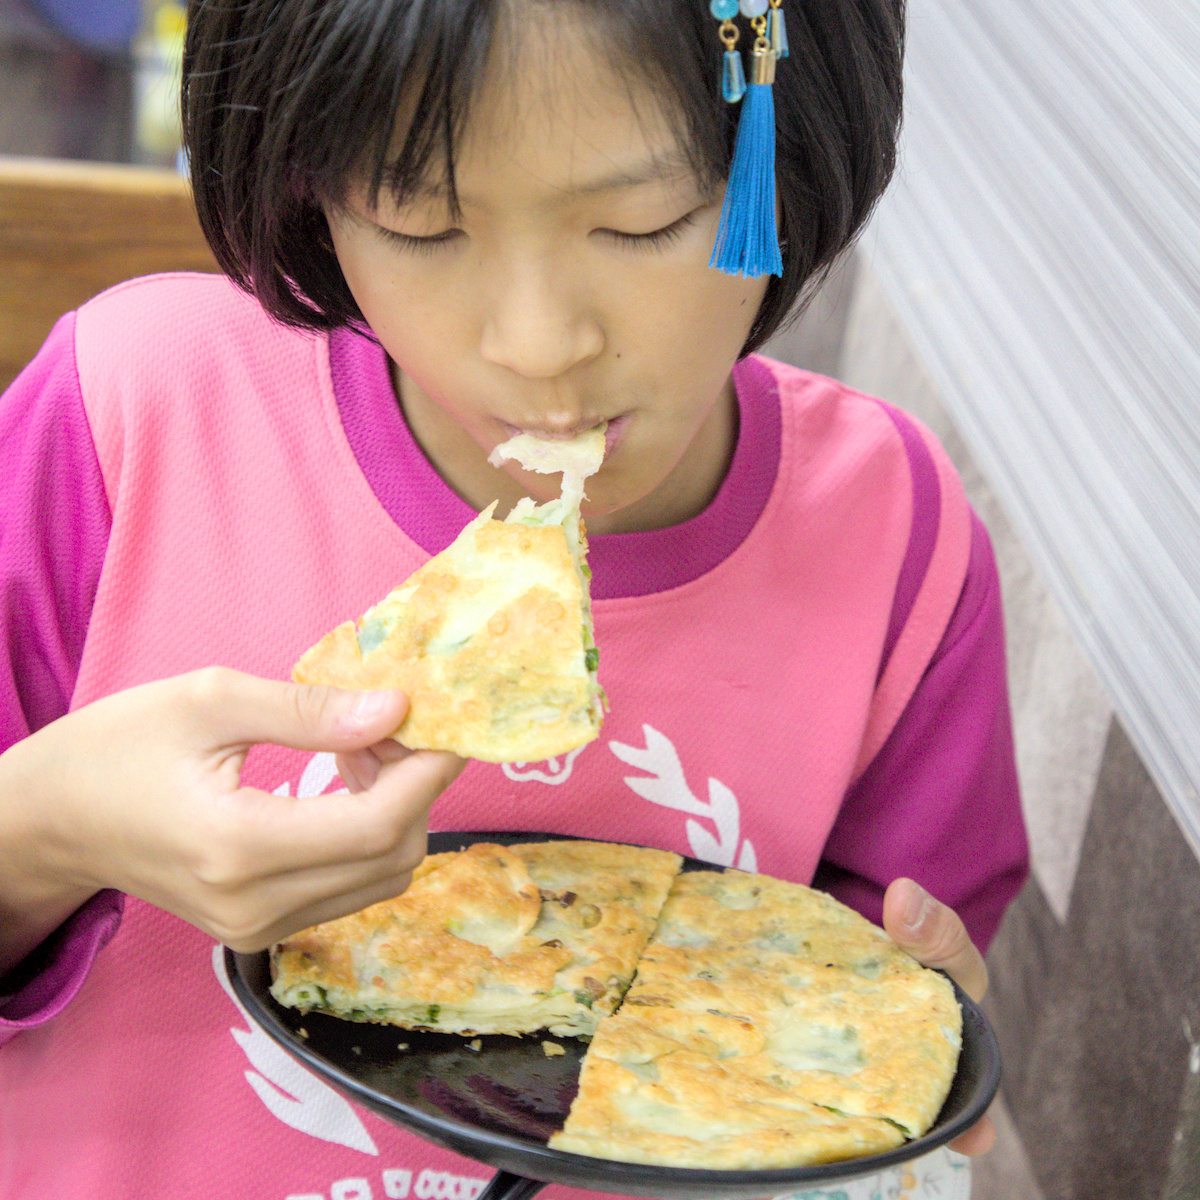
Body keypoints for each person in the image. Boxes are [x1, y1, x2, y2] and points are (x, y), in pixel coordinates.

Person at [0, 0, 1028, 1197]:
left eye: (640, 222)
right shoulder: (134, 417)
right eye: (421, 225)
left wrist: (899, 1044)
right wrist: (50, 830)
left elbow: (880, 993)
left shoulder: (895, 539)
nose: (537, 344)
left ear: (783, 165)